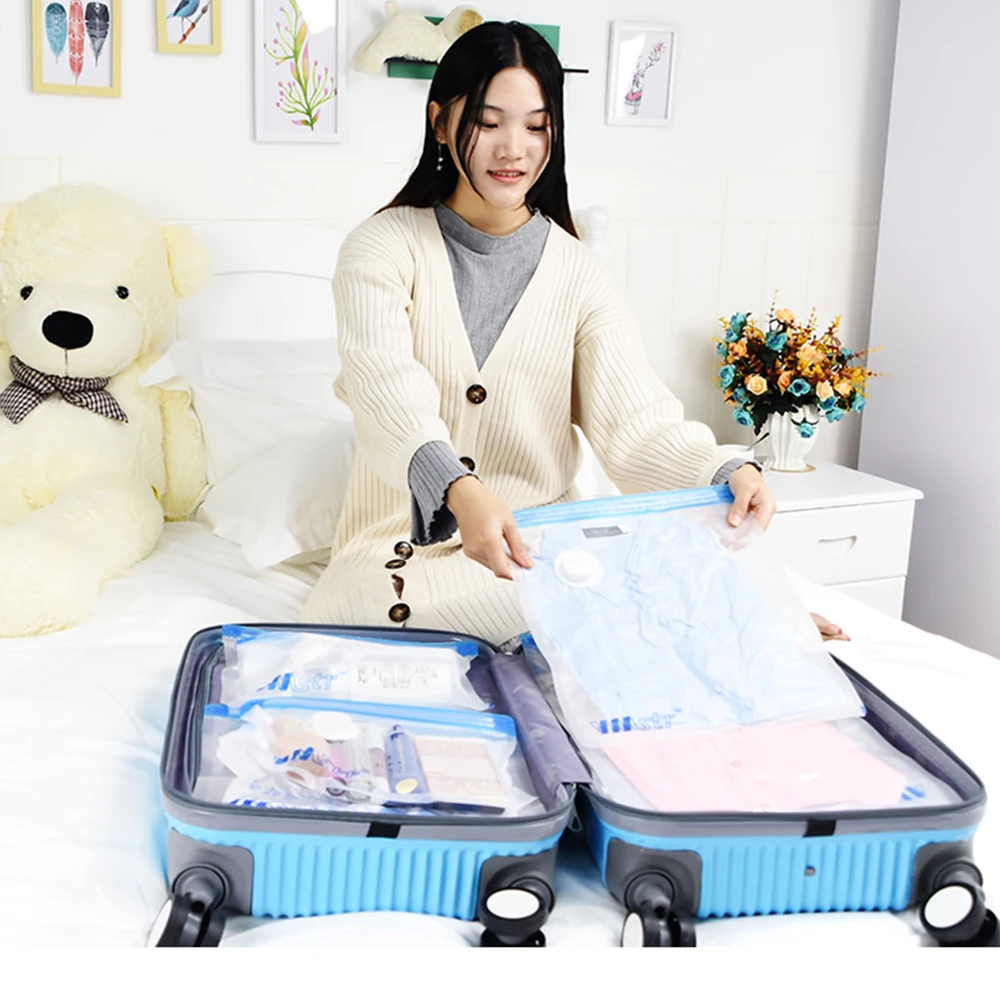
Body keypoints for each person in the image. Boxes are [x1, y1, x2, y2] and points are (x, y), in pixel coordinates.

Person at [303, 21, 848, 646]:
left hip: (544, 554)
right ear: (440, 122)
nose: (514, 149)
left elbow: (637, 425)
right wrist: (459, 490)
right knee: (612, 614)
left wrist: (724, 470)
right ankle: (693, 620)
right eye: (488, 122)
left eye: (536, 126)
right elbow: (386, 390)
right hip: (397, 562)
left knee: (625, 599)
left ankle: (711, 618)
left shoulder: (578, 271)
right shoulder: (381, 248)